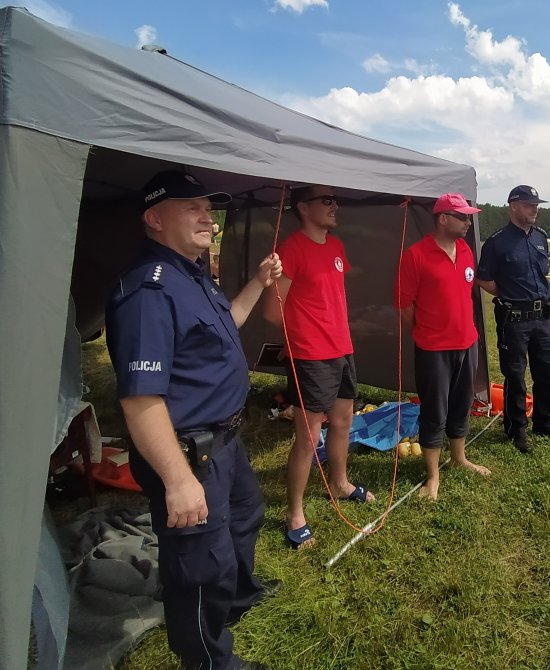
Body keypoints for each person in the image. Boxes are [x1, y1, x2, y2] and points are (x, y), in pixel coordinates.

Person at [105, 170, 282, 670]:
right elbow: (140, 401)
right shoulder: (149, 292)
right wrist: (178, 481)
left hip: (226, 440)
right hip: (190, 453)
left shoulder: (193, 274)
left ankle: (237, 599)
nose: (207, 216)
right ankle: (207, 659)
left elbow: (230, 320)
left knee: (245, 517)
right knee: (199, 568)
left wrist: (258, 282)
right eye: (191, 207)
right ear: (154, 219)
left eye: (208, 207)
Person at [264, 184, 375, 551]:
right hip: (311, 357)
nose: (334, 205)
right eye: (326, 200)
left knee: (343, 422)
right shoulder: (291, 250)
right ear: (303, 208)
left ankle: (340, 484)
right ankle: (295, 513)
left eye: (335, 200)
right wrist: (305, 338)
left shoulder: (337, 247)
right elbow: (271, 310)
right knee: (308, 438)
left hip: (342, 351)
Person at [395, 193, 491, 500]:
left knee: (462, 403)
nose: (467, 222)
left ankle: (459, 457)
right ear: (443, 219)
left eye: (468, 217)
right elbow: (404, 305)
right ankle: (433, 476)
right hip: (433, 348)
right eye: (462, 217)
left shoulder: (465, 250)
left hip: (468, 343)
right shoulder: (415, 255)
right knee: (435, 410)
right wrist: (426, 331)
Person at [476, 185, 550, 454]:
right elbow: (483, 277)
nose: (535, 209)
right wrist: (507, 294)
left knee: (547, 371)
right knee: (515, 375)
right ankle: (516, 429)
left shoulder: (540, 237)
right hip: (514, 319)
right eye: (530, 204)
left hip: (542, 318)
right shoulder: (497, 242)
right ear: (514, 206)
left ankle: (545, 422)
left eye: (537, 204)